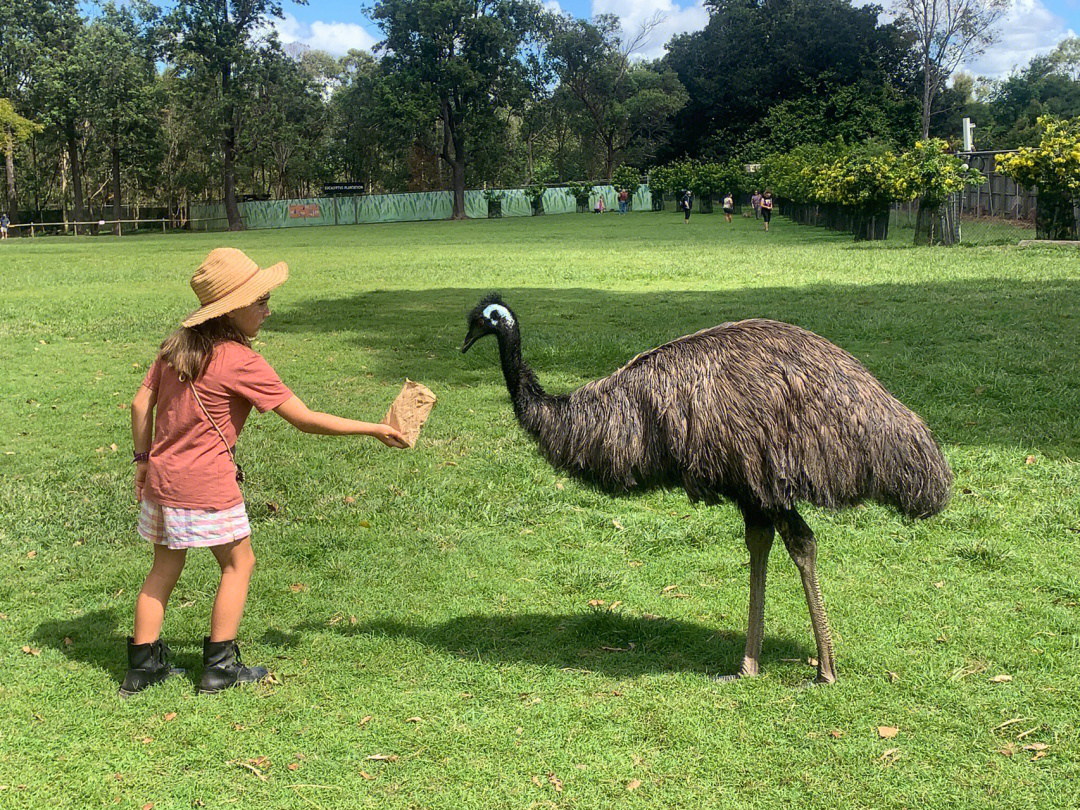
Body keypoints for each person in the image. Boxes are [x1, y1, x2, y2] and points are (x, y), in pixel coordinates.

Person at [122, 247, 408, 698]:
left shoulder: (175, 346)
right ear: (233, 308)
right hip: (208, 484)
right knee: (239, 563)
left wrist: (141, 462)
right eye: (261, 301)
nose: (267, 310)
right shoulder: (241, 360)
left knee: (163, 569)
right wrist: (373, 428)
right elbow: (305, 418)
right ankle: (219, 666)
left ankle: (141, 669)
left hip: (162, 481)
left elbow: (141, 404)